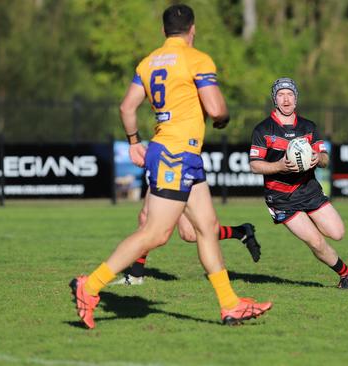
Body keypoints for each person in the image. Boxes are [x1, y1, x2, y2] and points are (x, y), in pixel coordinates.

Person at [70, 4, 272, 328]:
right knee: (156, 233)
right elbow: (217, 109)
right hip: (176, 155)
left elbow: (126, 107)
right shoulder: (197, 59)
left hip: (175, 152)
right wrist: (222, 119)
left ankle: (230, 304)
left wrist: (134, 142)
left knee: (207, 226)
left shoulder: (148, 62)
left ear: (164, 31)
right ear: (192, 29)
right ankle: (89, 286)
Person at [249, 77, 348, 289]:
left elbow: (325, 158)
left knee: (337, 233)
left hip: (309, 191)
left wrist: (318, 158)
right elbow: (255, 165)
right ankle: (345, 275)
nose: (286, 99)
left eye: (290, 95)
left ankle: (311, 220)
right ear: (275, 100)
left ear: (296, 99)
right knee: (316, 242)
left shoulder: (308, 127)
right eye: (281, 95)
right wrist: (279, 166)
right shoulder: (263, 130)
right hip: (282, 199)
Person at [111, 194, 261, 286]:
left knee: (181, 231)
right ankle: (241, 232)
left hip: (176, 164)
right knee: (186, 233)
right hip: (164, 160)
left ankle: (96, 285)